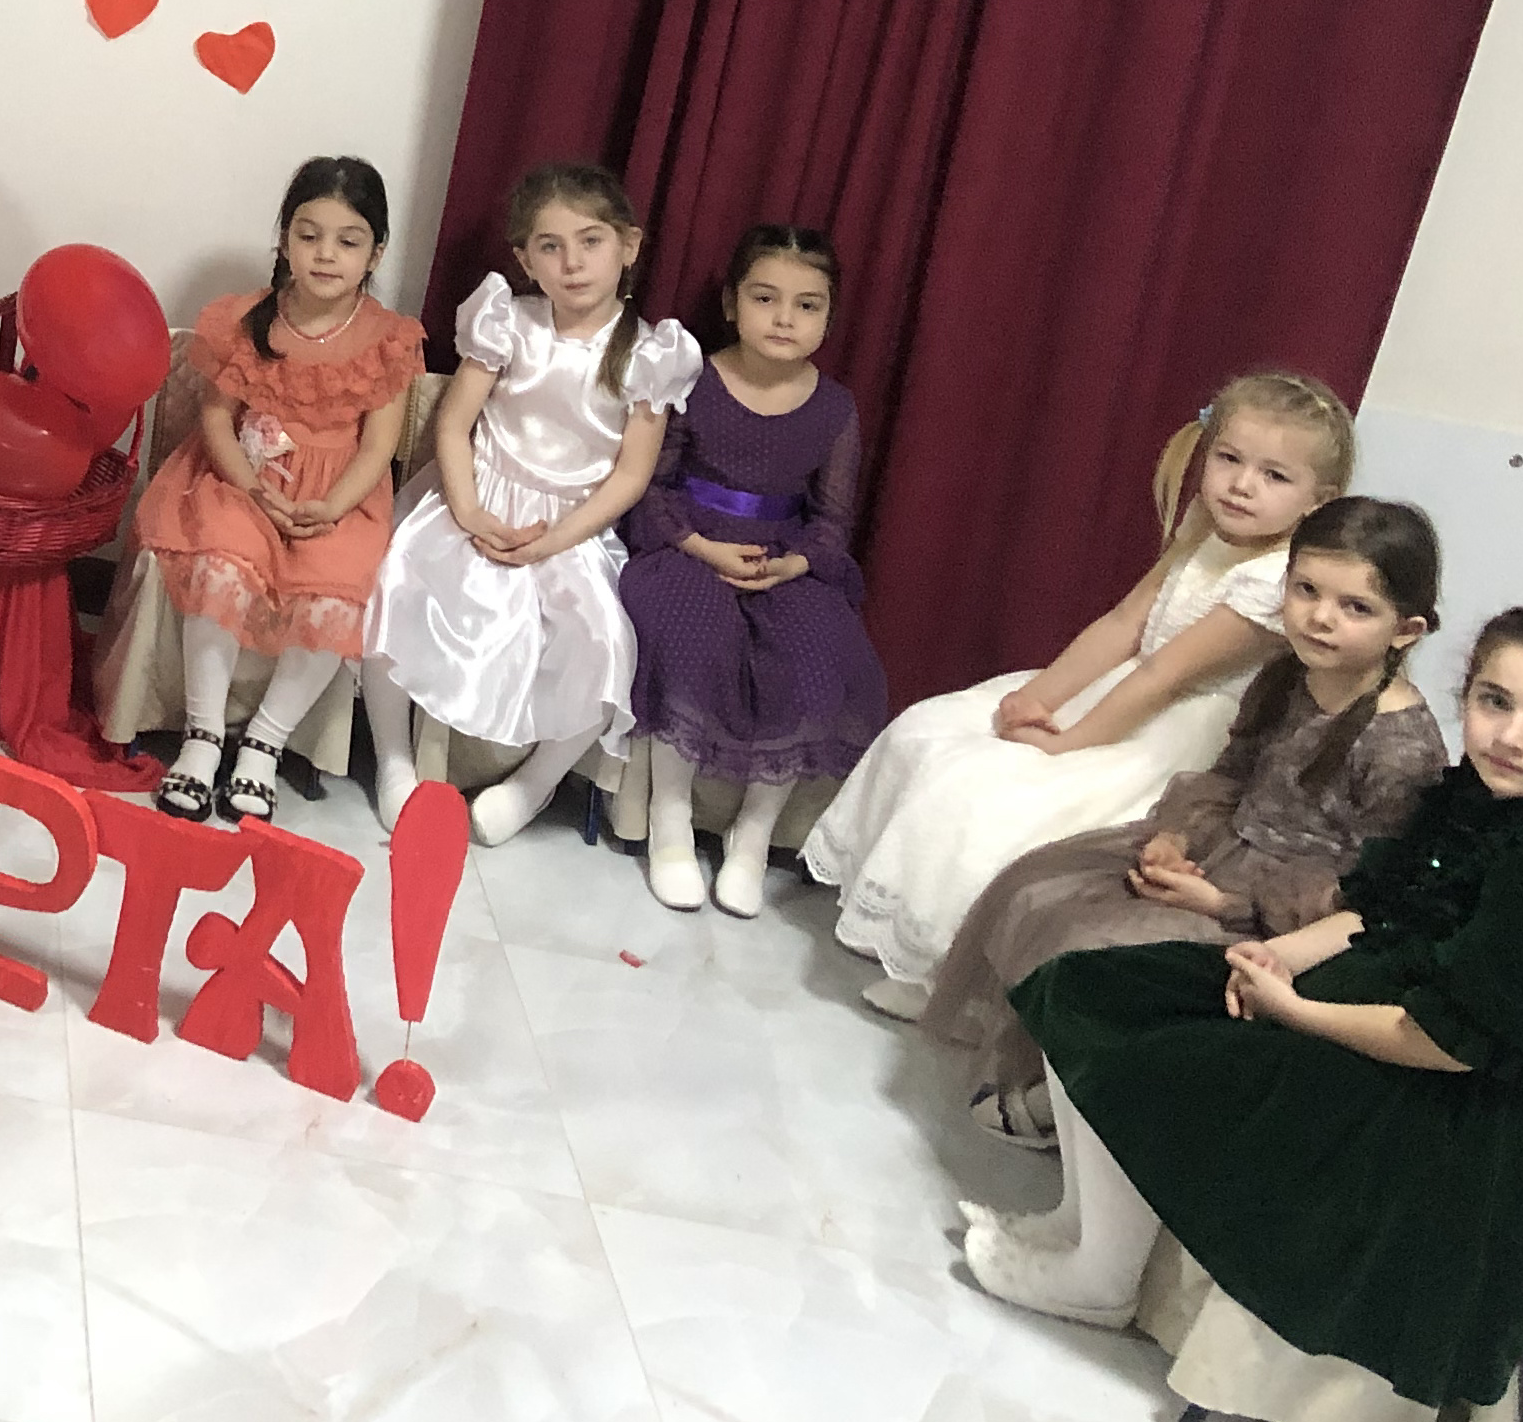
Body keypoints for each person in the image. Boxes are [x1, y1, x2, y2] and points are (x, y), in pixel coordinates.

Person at [968, 607, 1523, 1422]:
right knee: (1096, 988)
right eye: (1495, 701)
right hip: (1363, 1009)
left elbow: (1449, 1043)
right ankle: (1085, 1233)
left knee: (1167, 1053)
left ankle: (1099, 1277)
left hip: (1439, 1104)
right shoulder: (1472, 799)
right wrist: (1280, 956)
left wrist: (1296, 1011)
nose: (1511, 736)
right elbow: (1376, 913)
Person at [802, 370, 1351, 1005]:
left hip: (1179, 727)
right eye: (1229, 458)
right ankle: (905, 923)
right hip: (1127, 688)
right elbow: (1124, 624)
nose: (1242, 484)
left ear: (1316, 503)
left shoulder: (1274, 581)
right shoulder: (1207, 532)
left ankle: (949, 975)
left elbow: (1164, 676)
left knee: (1006, 801)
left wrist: (1067, 745)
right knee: (928, 731)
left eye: (1274, 475)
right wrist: (1044, 694)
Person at [924, 493, 1442, 1142]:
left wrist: (1223, 903)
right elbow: (1232, 773)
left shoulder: (1401, 749)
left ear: (1405, 630)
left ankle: (1078, 1108)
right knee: (1037, 886)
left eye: (1355, 607)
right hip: (1222, 850)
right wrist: (1175, 836)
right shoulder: (1287, 675)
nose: (1320, 617)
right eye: (1306, 589)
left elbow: (1370, 894)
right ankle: (1040, 1067)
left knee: (1097, 945)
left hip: (1290, 916)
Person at [360, 161, 703, 845]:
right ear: (525, 260)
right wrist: (468, 511)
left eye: (591, 241)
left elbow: (629, 477)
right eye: (551, 246)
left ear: (628, 246)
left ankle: (532, 785)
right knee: (396, 579)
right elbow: (453, 426)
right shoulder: (508, 322)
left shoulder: (650, 353)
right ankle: (393, 759)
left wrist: (552, 541)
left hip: (571, 526)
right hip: (477, 497)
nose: (572, 263)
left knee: (606, 640)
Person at [120, 155, 420, 826]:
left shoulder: (390, 339)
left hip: (339, 494)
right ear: (285, 239)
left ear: (375, 253)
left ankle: (264, 743)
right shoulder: (247, 318)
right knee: (221, 558)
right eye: (309, 235)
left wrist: (332, 507)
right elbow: (215, 419)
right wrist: (254, 489)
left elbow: (378, 447)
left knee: (336, 588)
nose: (326, 254)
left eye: (348, 241)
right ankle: (202, 736)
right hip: (243, 479)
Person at [615, 224, 885, 914]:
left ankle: (754, 835)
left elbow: (832, 517)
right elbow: (653, 484)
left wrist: (795, 564)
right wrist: (701, 547)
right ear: (732, 304)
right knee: (691, 636)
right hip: (687, 547)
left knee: (821, 651)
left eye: (807, 305)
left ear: (829, 316)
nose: (785, 318)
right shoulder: (692, 379)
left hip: (781, 560)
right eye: (766, 298)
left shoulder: (835, 407)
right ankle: (670, 820)